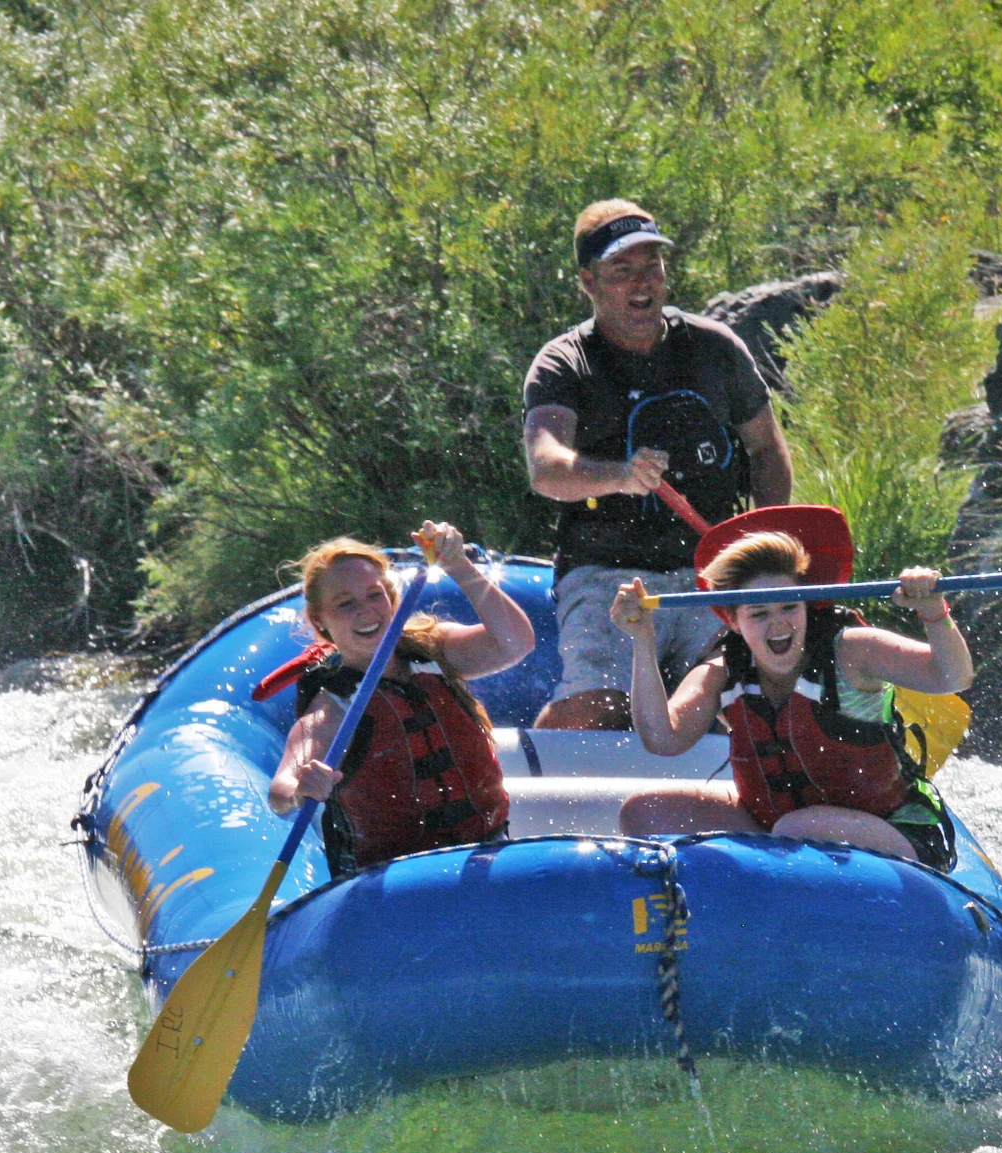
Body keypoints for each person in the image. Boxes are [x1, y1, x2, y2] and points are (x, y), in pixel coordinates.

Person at [522, 198, 795, 730]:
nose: (641, 283)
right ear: (588, 282)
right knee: (605, 708)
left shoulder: (715, 347)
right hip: (605, 575)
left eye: (651, 267)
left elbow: (767, 450)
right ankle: (512, 785)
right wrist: (620, 475)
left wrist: (761, 553)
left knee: (728, 703)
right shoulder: (564, 363)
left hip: (707, 573)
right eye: (622, 271)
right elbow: (546, 466)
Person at [607, 531, 971, 868]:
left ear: (806, 606)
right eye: (759, 614)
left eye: (788, 607)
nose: (778, 625)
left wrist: (933, 612)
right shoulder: (721, 671)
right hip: (782, 830)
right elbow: (661, 738)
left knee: (799, 825)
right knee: (644, 811)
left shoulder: (852, 652)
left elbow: (952, 676)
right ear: (733, 620)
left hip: (894, 831)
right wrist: (643, 639)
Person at [268, 522, 535, 875]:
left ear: (392, 599)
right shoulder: (333, 708)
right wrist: (301, 787)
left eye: (374, 595)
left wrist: (458, 565)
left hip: (484, 854)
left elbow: (516, 644)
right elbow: (280, 791)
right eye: (345, 604)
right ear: (322, 622)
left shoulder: (434, 651)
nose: (365, 610)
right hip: (396, 881)